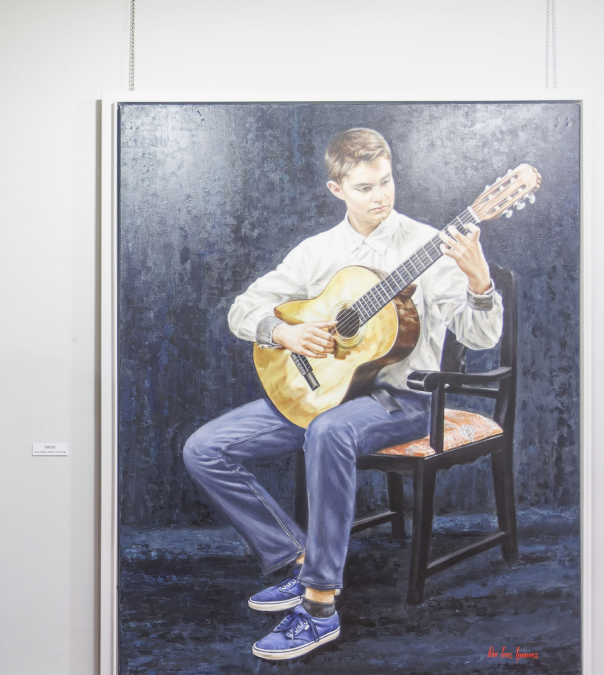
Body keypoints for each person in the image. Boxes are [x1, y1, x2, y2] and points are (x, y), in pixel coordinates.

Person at [181, 128, 503, 660]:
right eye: (364, 187)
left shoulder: (431, 246)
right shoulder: (317, 252)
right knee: (204, 448)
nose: (380, 196)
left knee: (328, 432)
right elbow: (243, 309)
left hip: (403, 401)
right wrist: (282, 333)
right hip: (321, 391)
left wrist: (479, 284)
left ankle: (319, 605)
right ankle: (293, 558)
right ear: (337, 190)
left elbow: (482, 337)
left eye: (387, 181)